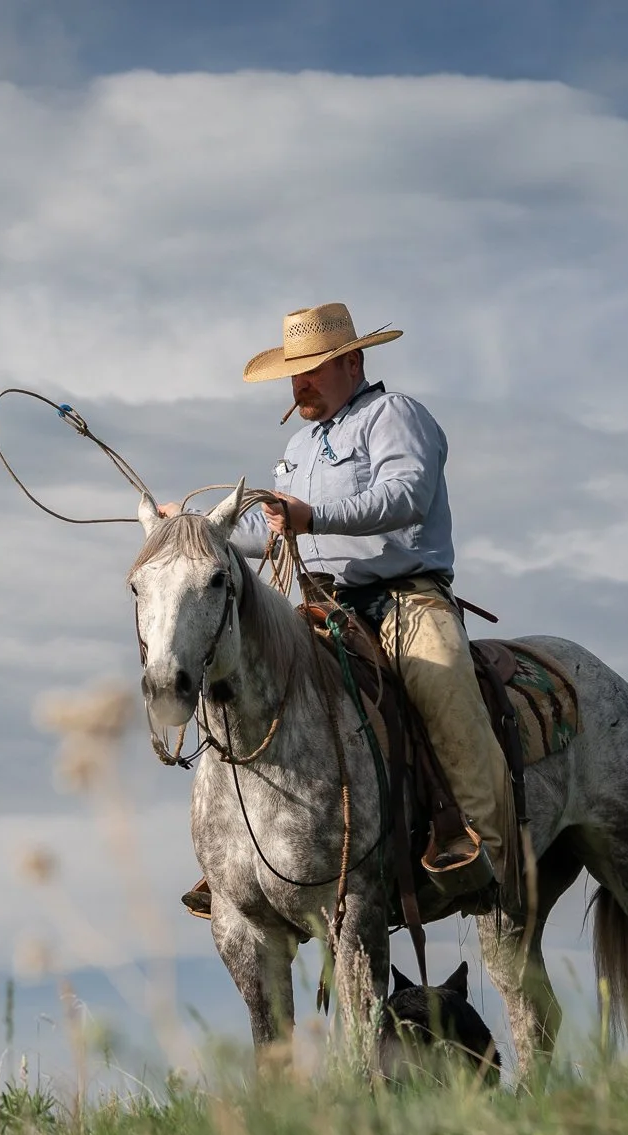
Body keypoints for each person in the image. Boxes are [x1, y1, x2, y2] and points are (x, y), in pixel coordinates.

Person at [181, 302, 515, 899]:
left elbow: (405, 496)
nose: (300, 381)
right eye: (294, 370)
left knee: (443, 688)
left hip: (405, 601)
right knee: (257, 686)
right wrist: (200, 530)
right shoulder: (300, 444)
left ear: (353, 361)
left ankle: (482, 845)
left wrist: (314, 517)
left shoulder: (394, 414)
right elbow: (278, 532)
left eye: (313, 368)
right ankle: (241, 851)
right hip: (323, 604)